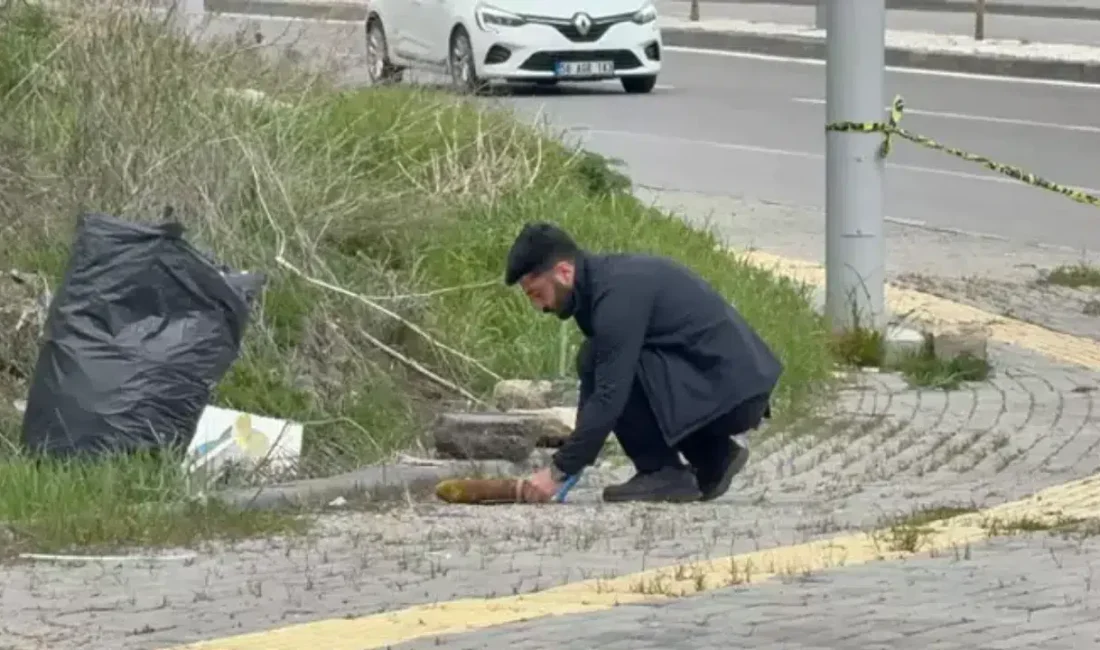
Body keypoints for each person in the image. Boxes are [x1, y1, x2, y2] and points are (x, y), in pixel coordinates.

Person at [505, 222, 783, 503]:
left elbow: (609, 396)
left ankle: (662, 472)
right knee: (596, 357)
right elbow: (593, 390)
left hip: (732, 393)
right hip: (724, 387)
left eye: (538, 294)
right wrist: (571, 464)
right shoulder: (603, 285)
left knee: (619, 370)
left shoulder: (616, 298)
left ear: (564, 272)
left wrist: (558, 472)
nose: (540, 308)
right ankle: (713, 456)